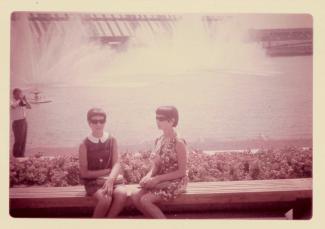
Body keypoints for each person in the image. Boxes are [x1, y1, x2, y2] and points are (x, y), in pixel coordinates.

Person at [130, 106, 188, 218]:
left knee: (146, 200)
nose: (158, 121)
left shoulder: (179, 143)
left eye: (161, 119)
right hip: (160, 179)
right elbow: (156, 166)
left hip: (176, 181)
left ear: (172, 121)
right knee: (135, 196)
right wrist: (148, 176)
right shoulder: (159, 140)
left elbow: (182, 172)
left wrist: (156, 179)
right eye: (157, 118)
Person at [79, 108, 127, 218]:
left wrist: (110, 179)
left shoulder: (112, 140)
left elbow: (117, 163)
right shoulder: (84, 144)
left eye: (101, 121)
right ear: (89, 123)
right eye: (94, 121)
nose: (98, 124)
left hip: (112, 180)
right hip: (93, 183)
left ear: (105, 122)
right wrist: (106, 172)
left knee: (122, 195)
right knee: (105, 199)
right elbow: (84, 173)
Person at [10, 88, 31, 157]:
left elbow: (29, 107)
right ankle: (16, 156)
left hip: (24, 121)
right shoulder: (11, 101)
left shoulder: (21, 102)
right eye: (18, 93)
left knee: (23, 140)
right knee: (18, 140)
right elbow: (13, 106)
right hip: (17, 123)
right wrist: (20, 99)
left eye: (20, 93)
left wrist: (25, 100)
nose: (20, 95)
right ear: (14, 94)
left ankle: (22, 155)